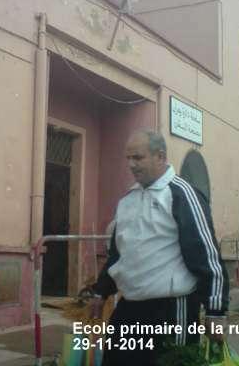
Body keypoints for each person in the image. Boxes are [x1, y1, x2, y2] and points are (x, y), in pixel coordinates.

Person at [89, 131, 229, 366]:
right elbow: (119, 254)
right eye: (128, 158)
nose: (131, 164)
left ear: (160, 156)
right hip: (129, 306)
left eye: (138, 157)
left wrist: (216, 311)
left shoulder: (182, 194)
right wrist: (100, 292)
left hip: (171, 310)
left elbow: (206, 254)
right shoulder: (127, 200)